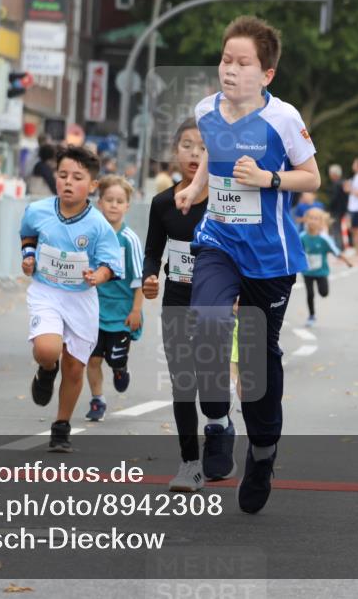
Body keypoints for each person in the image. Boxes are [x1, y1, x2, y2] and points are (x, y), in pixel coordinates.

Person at [173, 16, 320, 513]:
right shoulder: (205, 110)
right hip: (218, 241)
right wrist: (194, 190)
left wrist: (268, 178)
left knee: (257, 363)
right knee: (206, 327)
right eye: (225, 60)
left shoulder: (283, 118)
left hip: (269, 256)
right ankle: (217, 423)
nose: (230, 70)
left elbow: (311, 177)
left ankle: (262, 453)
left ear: (267, 75)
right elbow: (214, 164)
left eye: (243, 63)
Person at [21, 145, 124, 452]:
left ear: (92, 186)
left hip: (81, 298)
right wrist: (28, 256)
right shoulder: (37, 210)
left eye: (77, 177)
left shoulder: (98, 225)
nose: (68, 182)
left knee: (76, 367)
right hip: (46, 291)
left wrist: (99, 276)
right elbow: (28, 235)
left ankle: (61, 426)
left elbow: (111, 264)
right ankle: (46, 369)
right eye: (63, 175)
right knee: (47, 349)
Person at [142, 117, 210, 492]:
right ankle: (190, 463)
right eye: (187, 145)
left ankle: (219, 428)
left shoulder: (224, 201)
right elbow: (153, 253)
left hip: (216, 303)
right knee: (183, 383)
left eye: (203, 146)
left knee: (211, 383)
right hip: (178, 301)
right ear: (174, 151)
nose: (195, 153)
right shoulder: (163, 203)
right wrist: (150, 277)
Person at [84, 175, 144, 422]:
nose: (114, 205)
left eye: (120, 201)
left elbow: (139, 279)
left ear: (127, 206)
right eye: (109, 200)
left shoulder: (130, 240)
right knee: (93, 358)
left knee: (114, 358)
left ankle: (120, 369)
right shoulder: (93, 236)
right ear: (100, 203)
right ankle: (97, 400)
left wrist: (136, 311)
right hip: (94, 309)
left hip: (121, 312)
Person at [300, 208, 350, 326]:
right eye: (310, 218)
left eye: (315, 218)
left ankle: (321, 294)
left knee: (324, 293)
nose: (312, 221)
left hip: (321, 272)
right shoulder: (302, 237)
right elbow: (296, 251)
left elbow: (336, 251)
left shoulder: (324, 239)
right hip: (307, 272)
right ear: (306, 220)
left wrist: (347, 261)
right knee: (310, 294)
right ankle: (311, 315)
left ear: (321, 222)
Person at [325, 164, 348, 248]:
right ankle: (341, 246)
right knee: (339, 228)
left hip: (335, 210)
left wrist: (328, 207)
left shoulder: (336, 184)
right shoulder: (343, 183)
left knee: (335, 229)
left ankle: (338, 246)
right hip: (342, 210)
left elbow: (334, 198)